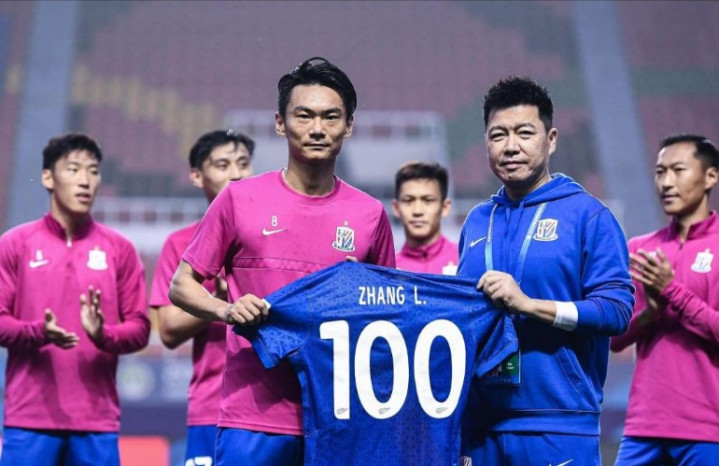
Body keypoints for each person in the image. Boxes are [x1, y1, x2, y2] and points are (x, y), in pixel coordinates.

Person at [168, 57, 396, 465]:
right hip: (251, 417)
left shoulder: (370, 215)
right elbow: (181, 285)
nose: (317, 128)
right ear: (280, 122)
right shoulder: (238, 199)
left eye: (331, 117)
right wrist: (226, 309)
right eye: (304, 115)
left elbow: (388, 314)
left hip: (339, 419)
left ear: (349, 126)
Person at [457, 76, 634, 466]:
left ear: (551, 139)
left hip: (559, 426)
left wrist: (529, 305)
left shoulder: (589, 216)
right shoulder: (476, 222)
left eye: (524, 133)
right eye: (498, 135)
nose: (511, 146)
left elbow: (617, 311)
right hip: (480, 428)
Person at [0, 133, 150, 465]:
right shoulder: (14, 244)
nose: (86, 180)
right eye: (73, 169)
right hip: (29, 420)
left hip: (96, 423)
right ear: (47, 178)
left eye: (93, 171)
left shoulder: (120, 249)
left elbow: (140, 328)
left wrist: (102, 335)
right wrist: (39, 332)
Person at [610, 134, 719, 465]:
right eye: (660, 172)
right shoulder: (640, 249)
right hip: (643, 425)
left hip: (707, 428)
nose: (666, 182)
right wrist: (649, 316)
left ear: (710, 177)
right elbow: (614, 340)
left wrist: (671, 290)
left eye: (678, 170)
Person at [149, 129, 254, 466]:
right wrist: (215, 303)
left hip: (274, 406)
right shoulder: (180, 244)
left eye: (243, 163)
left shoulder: (277, 235)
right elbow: (168, 330)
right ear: (196, 176)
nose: (236, 174)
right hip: (213, 406)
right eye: (222, 165)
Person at [392, 161, 458, 275]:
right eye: (408, 200)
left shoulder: (466, 260)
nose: (417, 211)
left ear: (445, 207)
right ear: (396, 208)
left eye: (428, 200)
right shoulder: (387, 270)